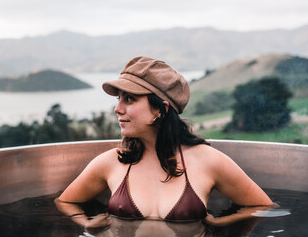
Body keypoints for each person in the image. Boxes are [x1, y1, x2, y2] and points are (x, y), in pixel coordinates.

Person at [54, 56, 273, 233]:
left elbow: (264, 207)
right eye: (118, 99)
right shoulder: (111, 162)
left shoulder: (207, 160)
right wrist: (84, 223)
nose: (117, 109)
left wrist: (222, 223)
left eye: (129, 99)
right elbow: (65, 202)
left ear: (160, 109)